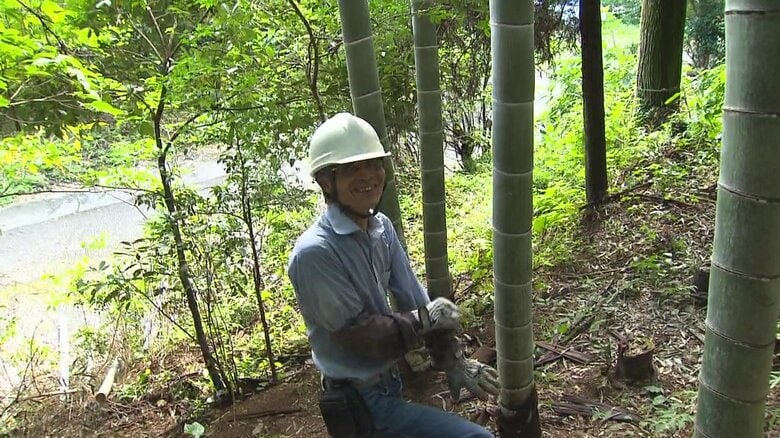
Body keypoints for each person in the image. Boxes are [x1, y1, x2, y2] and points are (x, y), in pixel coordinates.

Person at [288, 113, 499, 437]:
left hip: (391, 383)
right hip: (362, 402)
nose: (368, 176)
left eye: (374, 164)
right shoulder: (315, 253)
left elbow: (413, 298)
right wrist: (422, 319)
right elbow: (357, 336)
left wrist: (453, 359)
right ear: (326, 181)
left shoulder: (380, 228)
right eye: (351, 169)